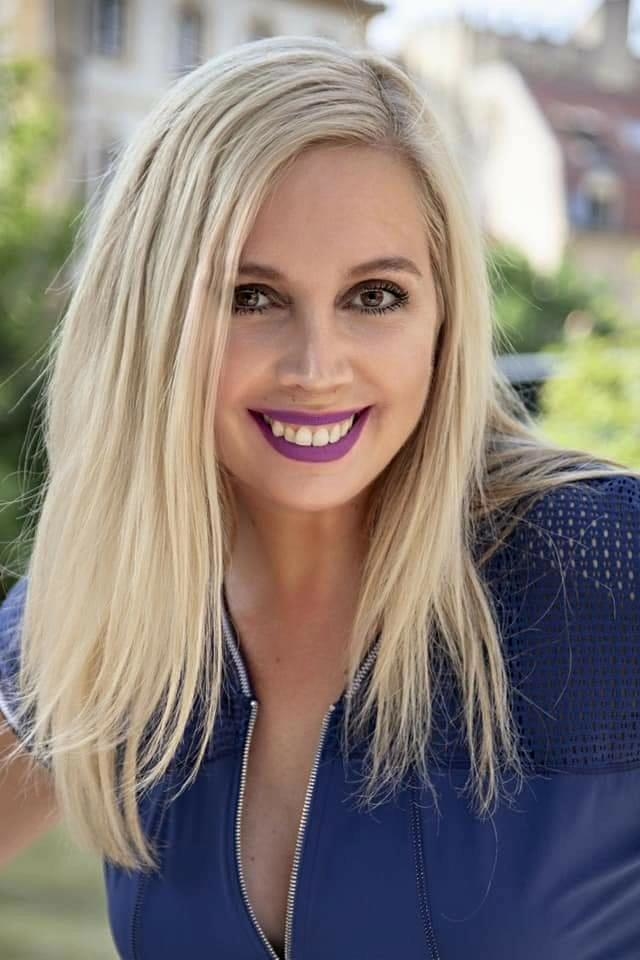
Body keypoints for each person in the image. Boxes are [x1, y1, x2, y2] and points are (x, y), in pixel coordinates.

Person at [0, 35, 639, 960]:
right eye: (251, 297)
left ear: (443, 318)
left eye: (374, 296)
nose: (316, 367)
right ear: (151, 318)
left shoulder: (607, 563)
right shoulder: (106, 605)